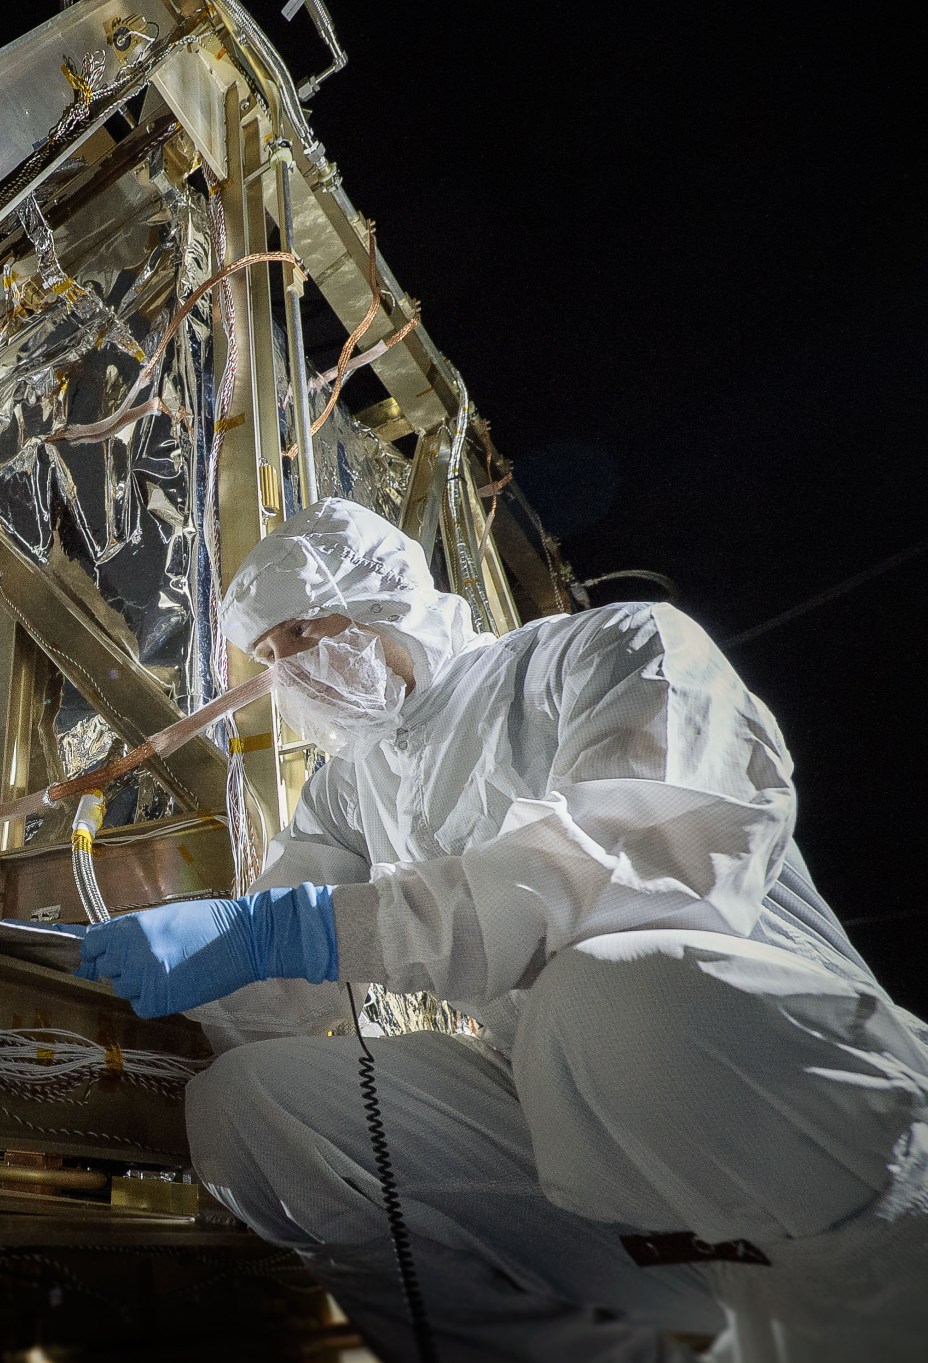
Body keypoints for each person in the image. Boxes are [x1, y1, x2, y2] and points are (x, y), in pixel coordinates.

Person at [70, 498, 928, 1362]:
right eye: (268, 656)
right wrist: (84, 1017)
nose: (289, 671)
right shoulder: (349, 787)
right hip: (581, 1142)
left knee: (605, 995)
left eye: (298, 632)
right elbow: (268, 980)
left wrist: (276, 928)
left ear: (381, 596)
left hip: (784, 1122)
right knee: (253, 1107)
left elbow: (603, 878)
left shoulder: (616, 649)